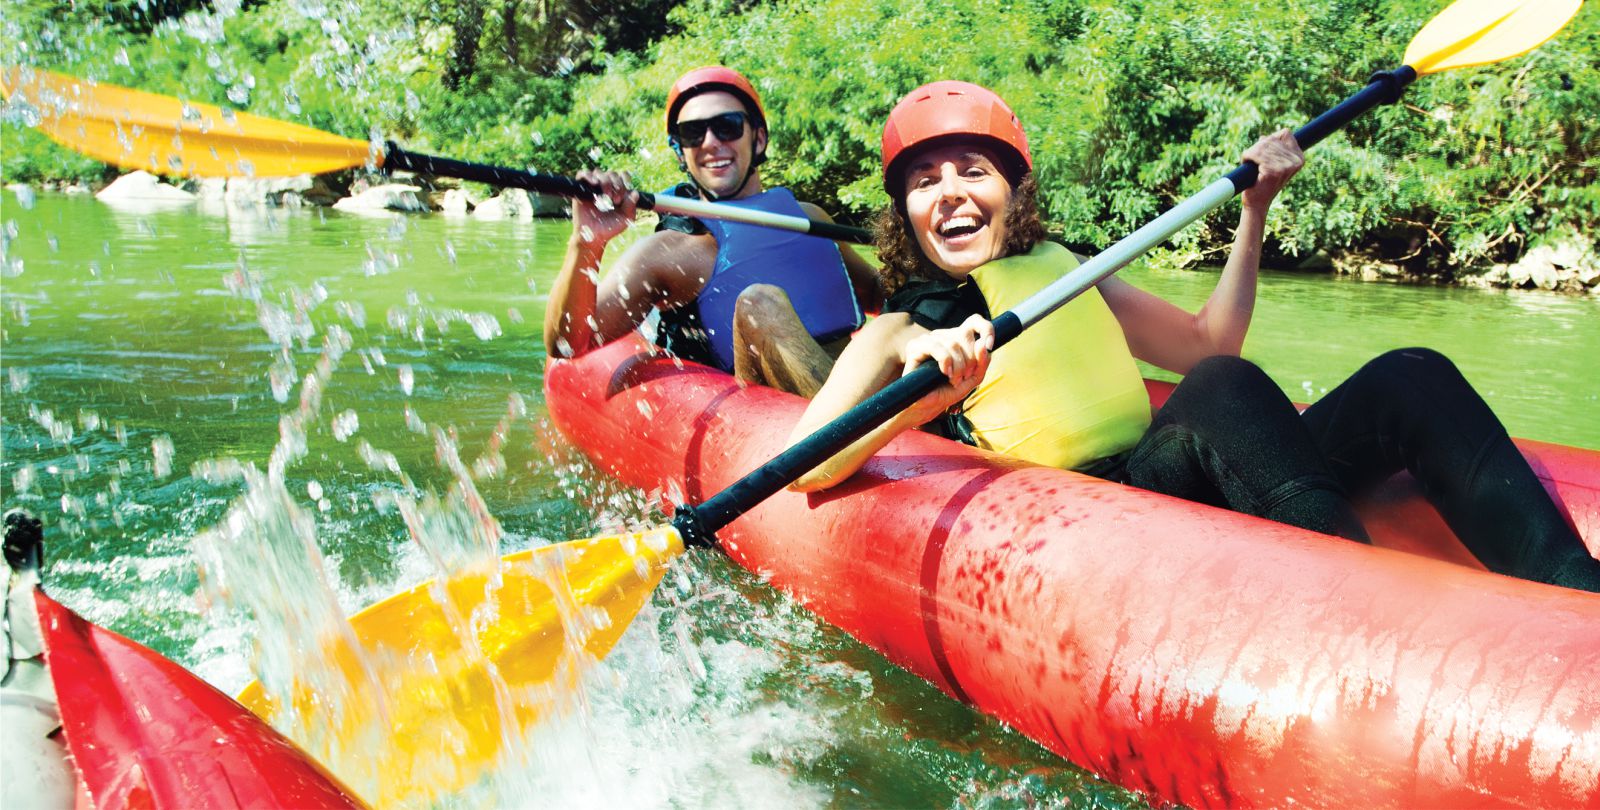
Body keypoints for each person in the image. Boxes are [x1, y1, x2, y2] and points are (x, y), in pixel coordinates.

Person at [788, 80, 1600, 592]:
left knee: (1409, 374)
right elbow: (806, 466)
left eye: (974, 170)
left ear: (1012, 190)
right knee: (1216, 390)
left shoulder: (1071, 271)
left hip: (1187, 475)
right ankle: (1374, 607)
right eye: (925, 181)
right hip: (1100, 521)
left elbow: (1207, 341)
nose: (951, 193)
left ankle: (1575, 592)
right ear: (904, 215)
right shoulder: (901, 327)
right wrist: (921, 385)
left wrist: (1256, 212)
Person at [542, 66, 883, 397]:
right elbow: (567, 345)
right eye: (693, 133)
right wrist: (586, 243)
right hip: (767, 412)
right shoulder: (669, 253)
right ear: (680, 151)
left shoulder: (810, 219)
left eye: (727, 126)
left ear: (759, 138)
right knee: (760, 303)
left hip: (852, 380)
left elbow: (882, 296)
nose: (710, 142)